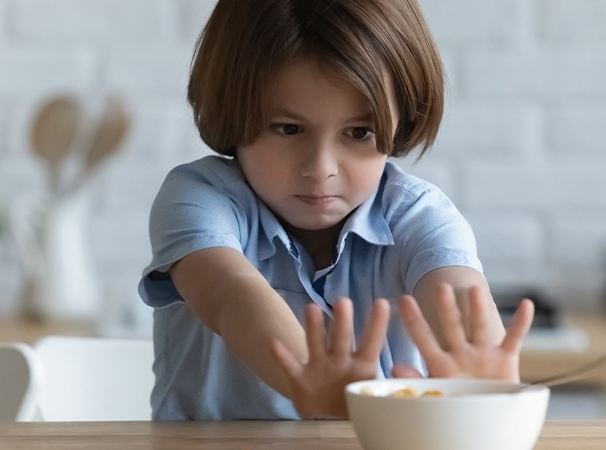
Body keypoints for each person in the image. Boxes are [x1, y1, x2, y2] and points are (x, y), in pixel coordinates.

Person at [139, 0, 534, 421]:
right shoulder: (197, 197)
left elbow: (455, 292)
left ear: (400, 120)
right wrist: (312, 378)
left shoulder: (420, 216)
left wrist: (481, 370)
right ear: (233, 110)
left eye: (359, 132)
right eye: (289, 129)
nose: (321, 168)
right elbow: (228, 294)